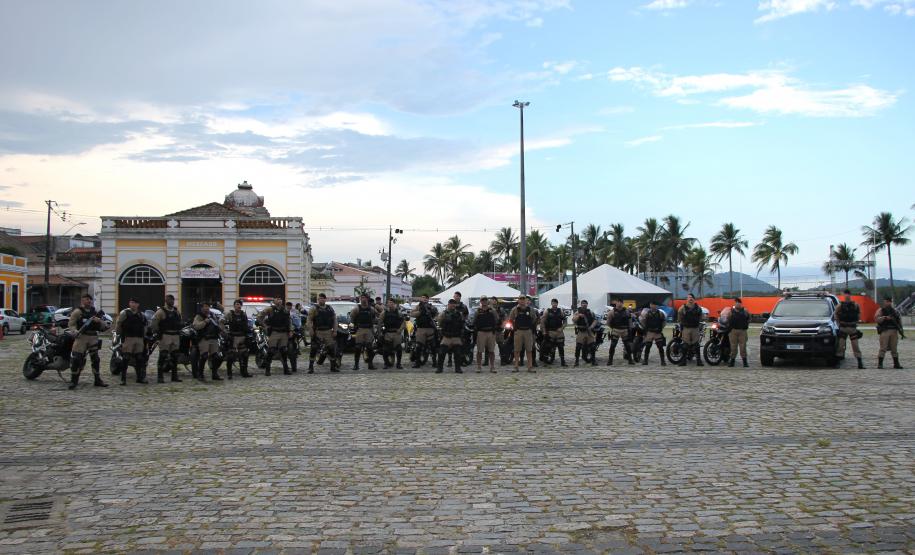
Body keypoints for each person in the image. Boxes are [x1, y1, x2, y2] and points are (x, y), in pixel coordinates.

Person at [67, 294, 109, 389]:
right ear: (82, 301)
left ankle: (97, 380)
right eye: (86, 299)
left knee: (96, 359)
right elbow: (71, 324)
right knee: (76, 359)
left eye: (90, 300)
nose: (89, 301)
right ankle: (74, 381)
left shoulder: (95, 312)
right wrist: (74, 331)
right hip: (81, 337)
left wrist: (99, 321)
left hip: (93, 337)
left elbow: (104, 326)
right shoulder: (77, 312)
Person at [115, 298, 149, 385]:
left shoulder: (141, 314)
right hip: (128, 337)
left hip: (139, 338)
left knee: (139, 358)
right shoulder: (125, 313)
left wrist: (144, 335)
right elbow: (119, 324)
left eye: (134, 303)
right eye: (131, 302)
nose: (133, 304)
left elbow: (145, 325)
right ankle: (123, 379)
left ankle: (139, 378)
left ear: (138, 304)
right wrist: (119, 334)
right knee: (126, 358)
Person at [257, 297, 293, 375]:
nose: (279, 300)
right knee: (271, 350)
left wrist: (290, 330)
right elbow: (260, 316)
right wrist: (264, 325)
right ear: (274, 301)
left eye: (280, 299)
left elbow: (289, 321)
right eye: (277, 299)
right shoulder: (270, 309)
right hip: (274, 332)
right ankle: (267, 369)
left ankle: (286, 369)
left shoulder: (285, 310)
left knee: (284, 350)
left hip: (283, 332)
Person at [151, 294, 182, 383]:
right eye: (169, 300)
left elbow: (179, 321)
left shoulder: (176, 311)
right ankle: (160, 377)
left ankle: (174, 376)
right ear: (166, 301)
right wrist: (157, 333)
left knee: (175, 356)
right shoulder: (161, 312)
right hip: (165, 335)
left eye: (172, 300)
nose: (171, 301)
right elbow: (154, 323)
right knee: (163, 355)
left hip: (175, 335)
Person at [221, 299, 252, 379]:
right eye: (237, 304)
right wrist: (225, 332)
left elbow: (246, 325)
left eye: (239, 304)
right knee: (231, 356)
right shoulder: (230, 314)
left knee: (245, 355)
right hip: (233, 337)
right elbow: (221, 322)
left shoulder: (243, 314)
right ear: (234, 305)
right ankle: (229, 373)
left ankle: (244, 372)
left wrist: (249, 331)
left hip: (242, 336)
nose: (238, 306)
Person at [307, 293, 338, 373]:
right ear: (318, 300)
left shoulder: (329, 308)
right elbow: (309, 320)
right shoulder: (314, 308)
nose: (321, 300)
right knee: (314, 349)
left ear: (325, 299)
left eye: (323, 298)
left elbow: (334, 319)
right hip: (318, 331)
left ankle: (333, 366)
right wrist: (311, 330)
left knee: (331, 348)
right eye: (320, 298)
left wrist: (335, 330)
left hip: (328, 331)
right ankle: (311, 367)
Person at [834, 289, 865, 369]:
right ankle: (837, 362)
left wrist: (856, 322)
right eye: (846, 294)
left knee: (855, 346)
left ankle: (860, 362)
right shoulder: (840, 305)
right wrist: (838, 323)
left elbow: (858, 314)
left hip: (852, 328)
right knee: (840, 346)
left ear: (850, 295)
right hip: (843, 328)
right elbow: (835, 314)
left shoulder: (855, 305)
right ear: (844, 295)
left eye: (848, 294)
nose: (847, 296)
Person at [192, 302, 223, 381]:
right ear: (202, 308)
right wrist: (205, 322)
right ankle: (200, 374)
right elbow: (196, 326)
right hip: (204, 338)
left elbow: (218, 324)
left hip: (214, 338)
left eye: (208, 306)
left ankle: (214, 374)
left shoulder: (212, 315)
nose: (207, 308)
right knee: (204, 356)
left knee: (216, 357)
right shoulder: (199, 316)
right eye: (205, 306)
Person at [508, 295, 537, 373]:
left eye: (523, 299)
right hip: (518, 331)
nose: (522, 300)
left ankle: (530, 367)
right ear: (518, 300)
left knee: (529, 350)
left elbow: (534, 319)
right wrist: (514, 328)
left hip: (528, 331)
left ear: (526, 300)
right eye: (520, 299)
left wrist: (530, 328)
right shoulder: (514, 309)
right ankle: (516, 367)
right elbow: (510, 319)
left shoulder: (530, 309)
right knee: (517, 350)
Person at [436, 299, 465, 373]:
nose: (453, 305)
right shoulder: (443, 313)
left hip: (456, 336)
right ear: (448, 304)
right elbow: (439, 322)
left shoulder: (459, 314)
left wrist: (461, 335)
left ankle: (458, 368)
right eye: (451, 304)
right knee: (441, 352)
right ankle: (439, 368)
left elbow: (462, 324)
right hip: (447, 336)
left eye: (454, 304)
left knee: (458, 353)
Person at [350, 294, 378, 370]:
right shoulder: (357, 309)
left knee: (370, 348)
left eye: (365, 298)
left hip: (369, 329)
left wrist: (375, 323)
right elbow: (352, 317)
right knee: (358, 347)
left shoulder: (371, 309)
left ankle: (370, 364)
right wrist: (354, 325)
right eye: (362, 298)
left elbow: (375, 316)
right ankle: (356, 365)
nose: (363, 299)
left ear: (367, 299)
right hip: (360, 329)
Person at [875, 296, 905, 369]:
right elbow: (877, 319)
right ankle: (880, 364)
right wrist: (885, 317)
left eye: (888, 302)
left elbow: (899, 321)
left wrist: (901, 330)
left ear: (890, 302)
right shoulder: (881, 310)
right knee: (883, 348)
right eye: (885, 302)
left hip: (894, 331)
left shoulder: (895, 311)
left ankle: (896, 364)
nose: (886, 303)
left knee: (894, 348)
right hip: (885, 330)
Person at [410, 294, 438, 368]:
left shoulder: (431, 306)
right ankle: (417, 362)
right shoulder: (418, 306)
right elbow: (411, 314)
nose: (424, 299)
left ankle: (434, 362)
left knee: (433, 346)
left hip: (430, 328)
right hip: (421, 328)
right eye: (422, 298)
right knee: (418, 346)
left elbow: (436, 314)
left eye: (425, 298)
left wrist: (431, 312)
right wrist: (420, 312)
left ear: (428, 299)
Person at [473, 296, 500, 373]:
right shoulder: (478, 311)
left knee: (491, 351)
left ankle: (492, 367)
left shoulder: (492, 310)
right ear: (480, 301)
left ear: (487, 301)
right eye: (482, 300)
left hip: (490, 332)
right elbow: (474, 321)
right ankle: (479, 367)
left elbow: (497, 319)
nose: (484, 301)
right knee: (479, 351)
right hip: (481, 332)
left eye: (485, 300)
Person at [677, 293, 704, 366]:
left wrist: (698, 323)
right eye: (689, 297)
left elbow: (701, 317)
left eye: (692, 297)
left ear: (694, 299)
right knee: (685, 345)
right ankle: (683, 361)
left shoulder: (698, 308)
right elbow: (679, 316)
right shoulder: (683, 308)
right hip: (686, 328)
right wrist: (681, 323)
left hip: (695, 328)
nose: (690, 299)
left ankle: (699, 361)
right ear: (687, 299)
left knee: (696, 345)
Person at [540, 298, 567, 367]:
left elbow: (565, 321)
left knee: (561, 347)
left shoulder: (560, 311)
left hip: (559, 332)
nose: (554, 304)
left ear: (557, 304)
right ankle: (545, 361)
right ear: (551, 303)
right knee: (548, 347)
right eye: (553, 303)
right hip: (550, 331)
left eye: (555, 303)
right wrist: (544, 331)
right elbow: (542, 321)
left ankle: (563, 361)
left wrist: (562, 328)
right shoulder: (547, 311)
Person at [381, 298, 406, 369]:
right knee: (385, 349)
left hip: (396, 333)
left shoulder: (398, 312)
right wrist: (379, 332)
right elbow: (380, 322)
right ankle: (386, 363)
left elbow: (403, 323)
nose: (390, 304)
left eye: (391, 302)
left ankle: (398, 364)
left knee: (399, 349)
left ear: (394, 304)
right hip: (388, 333)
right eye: (389, 302)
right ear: (387, 304)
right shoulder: (384, 312)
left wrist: (400, 330)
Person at [605, 299, 631, 366]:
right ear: (616, 303)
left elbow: (629, 321)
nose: (619, 304)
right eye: (618, 302)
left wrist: (629, 329)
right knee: (613, 345)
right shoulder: (612, 312)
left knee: (627, 345)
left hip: (624, 330)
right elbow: (608, 322)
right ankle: (610, 360)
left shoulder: (627, 312)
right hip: (616, 330)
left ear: (622, 303)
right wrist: (612, 328)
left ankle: (630, 360)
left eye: (621, 302)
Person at [571, 300, 597, 367]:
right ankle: (576, 361)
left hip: (589, 331)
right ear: (581, 304)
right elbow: (573, 320)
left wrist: (592, 326)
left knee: (593, 346)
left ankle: (593, 360)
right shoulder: (577, 312)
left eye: (585, 303)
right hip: (581, 331)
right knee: (578, 347)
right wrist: (578, 316)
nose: (584, 305)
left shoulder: (590, 312)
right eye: (583, 303)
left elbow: (595, 320)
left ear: (587, 304)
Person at [641, 300, 667, 366]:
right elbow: (643, 321)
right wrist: (646, 329)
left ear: (656, 306)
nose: (653, 306)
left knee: (660, 347)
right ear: (650, 305)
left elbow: (664, 322)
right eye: (651, 304)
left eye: (654, 305)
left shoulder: (660, 313)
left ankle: (663, 361)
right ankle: (645, 361)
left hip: (657, 332)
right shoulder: (647, 313)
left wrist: (660, 328)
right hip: (649, 332)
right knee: (648, 346)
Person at [727, 297, 750, 368]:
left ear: (741, 304)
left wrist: (745, 326)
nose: (737, 304)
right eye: (736, 302)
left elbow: (749, 319)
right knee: (733, 347)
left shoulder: (745, 311)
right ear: (734, 303)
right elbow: (728, 319)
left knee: (743, 347)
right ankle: (732, 361)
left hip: (742, 331)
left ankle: (745, 362)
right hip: (733, 331)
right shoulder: (731, 311)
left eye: (738, 302)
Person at [286, 301, 302, 373]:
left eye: (289, 306)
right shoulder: (283, 313)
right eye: (288, 306)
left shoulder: (294, 314)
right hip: (284, 332)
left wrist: (297, 329)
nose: (288, 307)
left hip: (292, 333)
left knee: (293, 346)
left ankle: (297, 350)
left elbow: (298, 324)